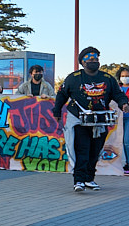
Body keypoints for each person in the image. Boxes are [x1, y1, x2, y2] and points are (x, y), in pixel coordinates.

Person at [53, 47, 129, 192]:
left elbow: (117, 94)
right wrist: (57, 110)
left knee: (96, 151)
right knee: (82, 149)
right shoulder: (74, 78)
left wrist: (123, 103)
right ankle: (79, 180)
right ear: (83, 62)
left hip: (100, 120)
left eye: (96, 59)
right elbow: (62, 94)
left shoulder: (107, 78)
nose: (94, 62)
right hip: (79, 119)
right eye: (91, 59)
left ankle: (89, 178)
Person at [116, 67, 129, 175]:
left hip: (128, 118)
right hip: (118, 119)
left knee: (126, 141)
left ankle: (128, 163)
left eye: (127, 76)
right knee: (117, 142)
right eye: (123, 76)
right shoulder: (117, 88)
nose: (125, 78)